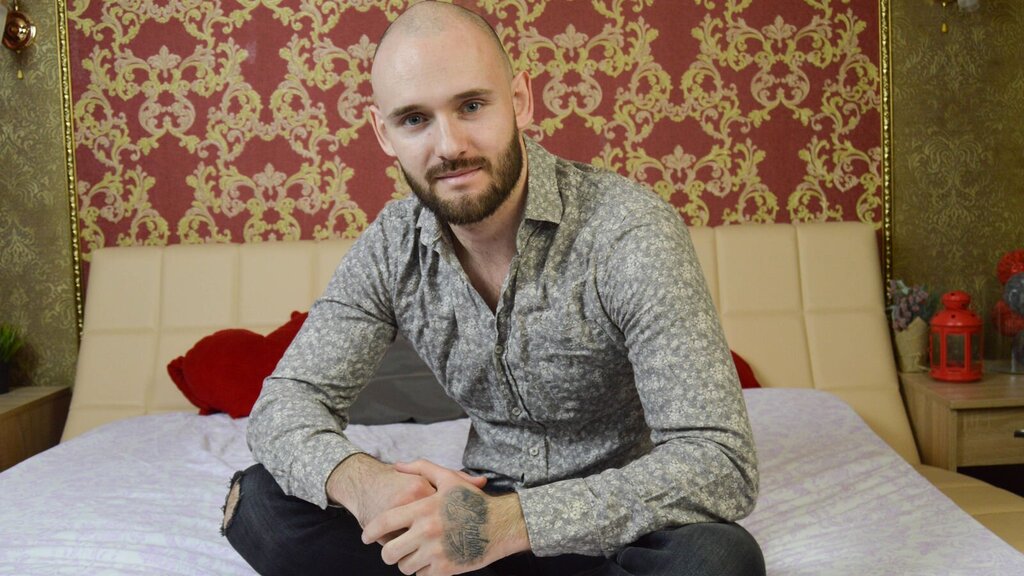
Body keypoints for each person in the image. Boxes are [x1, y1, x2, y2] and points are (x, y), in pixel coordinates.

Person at [222, 2, 764, 575]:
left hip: (617, 522)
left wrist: (507, 524)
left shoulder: (628, 232)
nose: (449, 145)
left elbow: (720, 462)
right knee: (259, 503)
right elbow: (284, 405)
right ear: (384, 133)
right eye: (415, 119)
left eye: (472, 106)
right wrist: (367, 484)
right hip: (473, 513)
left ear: (520, 100)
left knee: (717, 559)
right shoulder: (391, 246)